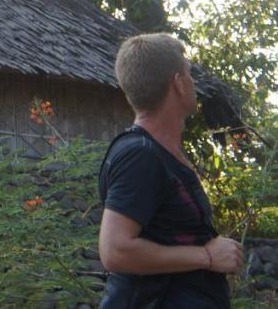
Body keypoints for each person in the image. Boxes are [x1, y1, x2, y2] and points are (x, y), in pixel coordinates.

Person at [98, 33, 244, 308]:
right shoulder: (140, 155)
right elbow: (115, 250)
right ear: (178, 84)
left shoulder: (161, 155)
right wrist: (206, 256)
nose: (194, 83)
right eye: (189, 74)